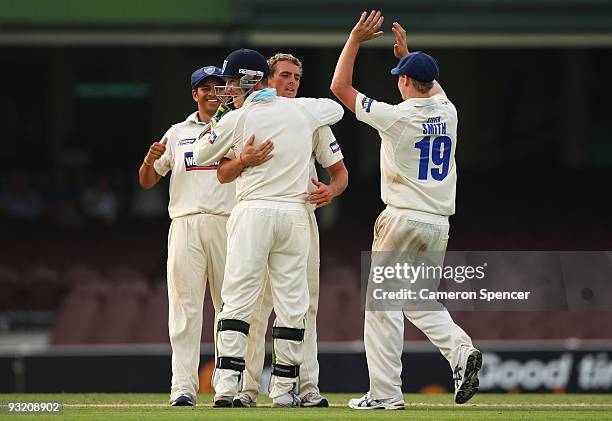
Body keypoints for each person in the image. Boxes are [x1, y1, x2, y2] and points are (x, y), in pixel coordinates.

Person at [330, 11, 481, 409]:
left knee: (382, 307)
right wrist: (410, 55)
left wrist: (355, 40)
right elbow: (432, 89)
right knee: (416, 299)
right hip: (437, 224)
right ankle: (461, 350)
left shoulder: (396, 117)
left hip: (401, 219)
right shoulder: (448, 112)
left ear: (402, 81)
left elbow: (339, 86)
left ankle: (384, 394)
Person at [193, 48, 344, 408]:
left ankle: (226, 388)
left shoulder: (238, 118)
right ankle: (284, 391)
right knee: (294, 304)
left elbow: (199, 155)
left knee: (239, 300)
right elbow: (336, 108)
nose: (227, 88)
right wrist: (293, 109)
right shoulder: (305, 110)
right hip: (294, 215)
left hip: (253, 214)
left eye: (231, 81)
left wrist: (240, 150)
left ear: (248, 80)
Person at [138, 66, 235, 407]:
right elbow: (149, 179)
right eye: (205, 88)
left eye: (218, 88)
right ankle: (182, 387)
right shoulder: (178, 132)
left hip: (228, 223)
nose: (212, 93)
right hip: (185, 222)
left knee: (229, 308)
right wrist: (148, 163)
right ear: (194, 94)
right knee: (185, 308)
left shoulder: (236, 124)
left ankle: (227, 387)